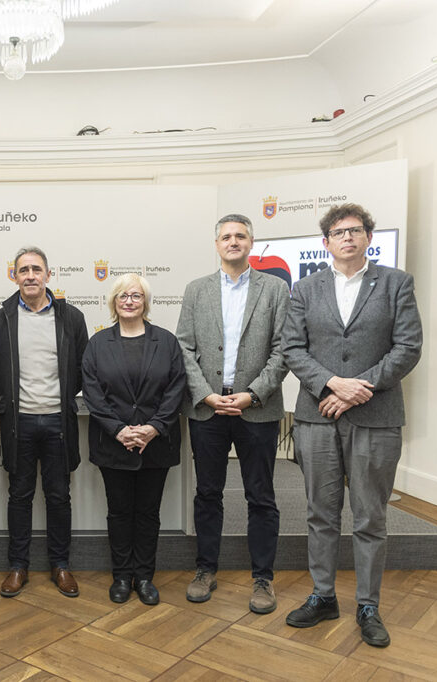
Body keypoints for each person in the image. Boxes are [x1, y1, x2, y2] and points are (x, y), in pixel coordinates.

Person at [282, 203, 422, 648]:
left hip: (375, 416)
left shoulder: (396, 283)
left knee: (370, 516)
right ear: (326, 242)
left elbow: (408, 346)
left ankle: (368, 605)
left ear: (367, 238)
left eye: (356, 230)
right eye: (339, 232)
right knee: (320, 513)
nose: (348, 237)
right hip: (317, 416)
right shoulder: (304, 289)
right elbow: (292, 348)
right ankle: (323, 596)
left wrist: (362, 386)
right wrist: (332, 385)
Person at [175, 213, 290, 614]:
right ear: (217, 243)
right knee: (208, 494)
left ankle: (263, 578)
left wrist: (252, 394)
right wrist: (205, 395)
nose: (233, 241)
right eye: (226, 236)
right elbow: (184, 349)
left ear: (251, 243)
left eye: (240, 236)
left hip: (256, 410)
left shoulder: (275, 289)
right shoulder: (197, 290)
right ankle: (205, 569)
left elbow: (283, 350)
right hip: (208, 410)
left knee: (261, 496)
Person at [0, 246, 88, 599]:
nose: (30, 275)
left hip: (60, 424)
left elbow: (81, 371)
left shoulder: (71, 318)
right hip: (19, 424)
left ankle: (61, 565)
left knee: (59, 496)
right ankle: (18, 566)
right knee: (20, 495)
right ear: (13, 275)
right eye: (23, 270)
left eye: (36, 269)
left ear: (48, 274)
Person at [82, 273, 186, 605]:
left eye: (136, 296)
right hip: (113, 444)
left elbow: (176, 388)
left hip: (157, 443)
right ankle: (122, 576)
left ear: (145, 302)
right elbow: (93, 393)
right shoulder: (98, 344)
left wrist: (153, 427)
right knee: (119, 512)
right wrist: (119, 430)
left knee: (148, 512)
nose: (129, 301)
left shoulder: (166, 342)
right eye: (123, 295)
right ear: (114, 302)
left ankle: (144, 576)